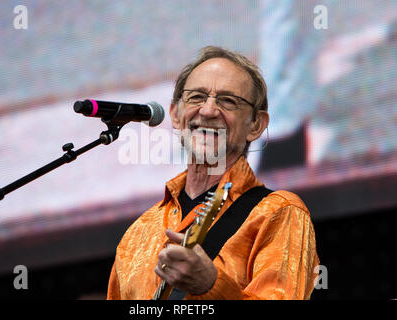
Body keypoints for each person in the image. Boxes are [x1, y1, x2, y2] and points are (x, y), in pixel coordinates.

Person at [107, 46, 319, 300]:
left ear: (256, 125)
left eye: (228, 101)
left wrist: (211, 286)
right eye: (196, 97)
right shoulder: (138, 233)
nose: (207, 111)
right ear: (175, 114)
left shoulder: (280, 213)